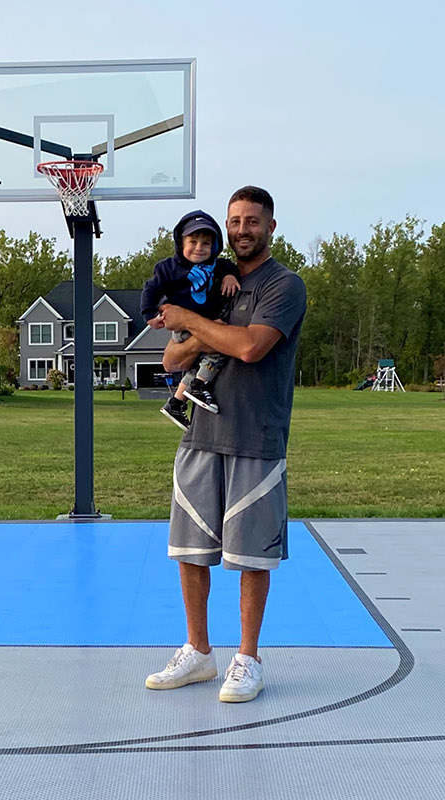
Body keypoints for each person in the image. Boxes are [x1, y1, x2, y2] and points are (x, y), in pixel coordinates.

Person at [142, 186, 306, 703]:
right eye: (234, 221)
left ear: (271, 226)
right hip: (201, 435)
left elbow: (251, 346)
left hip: (256, 436)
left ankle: (248, 659)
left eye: (252, 221)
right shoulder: (213, 284)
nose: (241, 230)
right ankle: (198, 653)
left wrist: (190, 322)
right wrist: (201, 326)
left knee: (251, 554)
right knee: (189, 549)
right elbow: (171, 362)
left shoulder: (284, 285)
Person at [141, 210, 240, 429]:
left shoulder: (218, 265)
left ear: (214, 246)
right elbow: (152, 288)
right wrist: (149, 314)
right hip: (184, 324)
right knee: (220, 349)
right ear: (180, 242)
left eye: (206, 243)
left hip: (206, 322)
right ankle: (199, 387)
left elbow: (231, 267)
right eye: (193, 241)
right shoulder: (169, 268)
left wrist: (230, 276)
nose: (199, 247)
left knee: (196, 365)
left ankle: (176, 404)